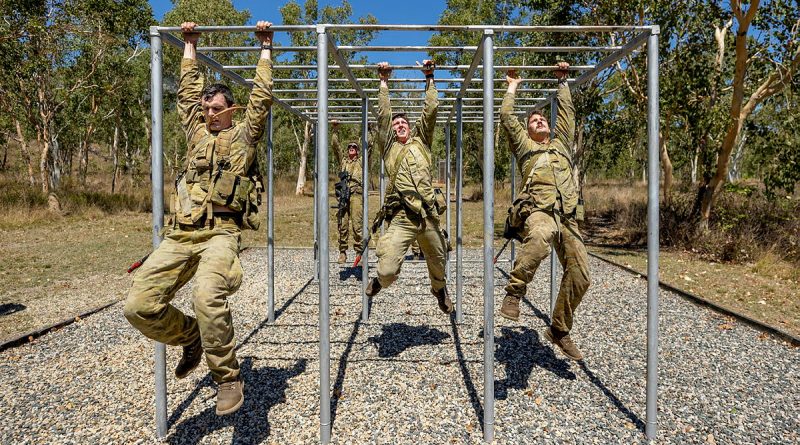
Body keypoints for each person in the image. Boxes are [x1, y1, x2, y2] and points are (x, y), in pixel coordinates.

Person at [123, 21, 275, 415]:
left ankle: (227, 376)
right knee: (138, 305)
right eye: (206, 108)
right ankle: (190, 336)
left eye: (216, 108)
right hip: (180, 234)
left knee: (206, 295)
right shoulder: (195, 134)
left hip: (220, 235)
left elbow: (261, 99)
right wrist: (189, 44)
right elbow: (187, 95)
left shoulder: (244, 137)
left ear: (231, 111)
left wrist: (265, 48)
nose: (208, 113)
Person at [498, 62, 591, 361]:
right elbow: (506, 117)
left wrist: (563, 82)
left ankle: (559, 329)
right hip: (539, 211)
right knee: (540, 236)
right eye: (533, 121)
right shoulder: (526, 149)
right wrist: (512, 87)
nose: (538, 121)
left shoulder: (562, 144)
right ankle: (514, 292)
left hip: (568, 216)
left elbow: (568, 115)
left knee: (581, 275)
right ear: (527, 132)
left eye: (541, 119)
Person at [364, 60, 453, 315]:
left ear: (410, 127)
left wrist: (430, 77)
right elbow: (383, 117)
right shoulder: (390, 148)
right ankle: (379, 281)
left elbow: (431, 109)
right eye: (396, 124)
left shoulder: (422, 142)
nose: (400, 125)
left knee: (439, 262)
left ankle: (439, 290)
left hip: (428, 215)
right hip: (402, 217)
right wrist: (383, 83)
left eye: (403, 123)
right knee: (388, 270)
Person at [331, 121, 364, 264]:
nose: (351, 148)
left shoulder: (361, 162)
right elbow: (335, 146)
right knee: (342, 224)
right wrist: (335, 130)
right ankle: (343, 252)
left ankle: (359, 253)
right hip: (344, 196)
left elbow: (369, 147)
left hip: (356, 194)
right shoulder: (343, 161)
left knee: (357, 225)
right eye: (349, 147)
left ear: (357, 150)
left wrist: (368, 129)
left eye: (354, 147)